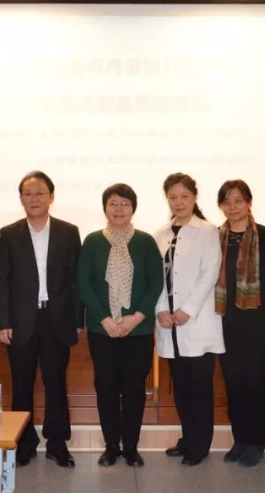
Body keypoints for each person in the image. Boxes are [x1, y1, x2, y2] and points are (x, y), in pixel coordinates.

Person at [0, 171, 82, 468]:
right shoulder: (9, 233)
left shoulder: (68, 232)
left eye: (40, 193)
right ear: (21, 198)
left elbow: (75, 280)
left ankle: (57, 443)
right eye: (28, 194)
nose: (34, 199)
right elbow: (1, 281)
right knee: (21, 384)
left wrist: (77, 319)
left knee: (56, 383)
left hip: (56, 319)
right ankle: (24, 442)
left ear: (51, 197)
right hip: (21, 321)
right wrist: (2, 322)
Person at [78, 183, 163, 469]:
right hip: (102, 330)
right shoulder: (92, 241)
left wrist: (135, 317)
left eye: (125, 203)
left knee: (134, 389)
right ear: (105, 208)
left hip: (138, 330)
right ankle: (111, 446)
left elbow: (155, 283)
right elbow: (84, 284)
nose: (118, 209)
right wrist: (105, 319)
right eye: (113, 203)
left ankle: (131, 447)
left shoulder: (145, 241)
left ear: (133, 208)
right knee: (106, 388)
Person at [154, 173, 223, 467]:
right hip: (169, 324)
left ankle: (200, 444)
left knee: (199, 388)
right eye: (172, 197)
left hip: (197, 321)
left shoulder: (207, 231)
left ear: (194, 197)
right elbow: (155, 277)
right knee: (181, 388)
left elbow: (210, 273)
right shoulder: (160, 234)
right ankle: (187, 438)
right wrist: (161, 309)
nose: (178, 202)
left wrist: (187, 309)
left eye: (184, 196)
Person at [215, 179, 265, 467]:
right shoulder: (215, 237)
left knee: (255, 379)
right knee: (233, 380)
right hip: (224, 319)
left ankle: (257, 441)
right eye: (227, 202)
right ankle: (240, 438)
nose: (233, 207)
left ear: (249, 202)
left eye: (238, 200)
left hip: (257, 319)